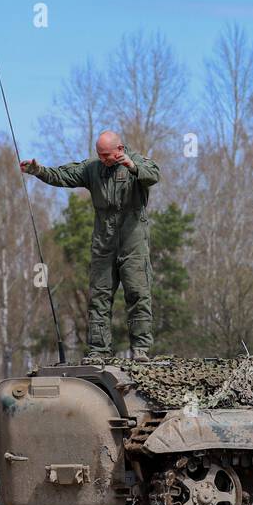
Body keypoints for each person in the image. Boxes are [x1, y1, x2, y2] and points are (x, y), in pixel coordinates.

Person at [21, 130, 160, 364]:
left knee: (137, 294)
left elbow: (153, 175)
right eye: (99, 154)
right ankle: (98, 350)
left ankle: (140, 349)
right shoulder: (93, 168)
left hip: (132, 243)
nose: (103, 159)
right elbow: (63, 175)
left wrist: (132, 167)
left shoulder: (137, 162)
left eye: (107, 155)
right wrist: (39, 170)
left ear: (120, 149)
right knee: (99, 297)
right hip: (104, 244)